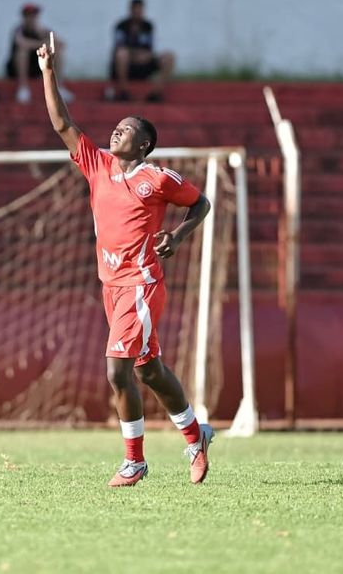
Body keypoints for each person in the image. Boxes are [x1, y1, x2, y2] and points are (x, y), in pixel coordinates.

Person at [39, 32, 213, 487]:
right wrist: (48, 72)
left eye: (128, 129)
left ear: (143, 146)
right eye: (116, 125)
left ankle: (134, 460)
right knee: (149, 370)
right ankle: (195, 436)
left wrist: (178, 234)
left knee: (117, 369)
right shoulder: (97, 165)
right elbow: (62, 124)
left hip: (140, 282)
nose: (117, 130)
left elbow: (202, 204)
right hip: (110, 285)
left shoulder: (157, 178)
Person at [107, 0, 175, 102]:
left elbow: (149, 49)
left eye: (140, 9)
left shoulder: (148, 26)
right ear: (130, 10)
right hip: (126, 66)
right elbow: (118, 48)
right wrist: (135, 54)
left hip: (143, 64)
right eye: (136, 9)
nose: (138, 12)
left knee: (169, 57)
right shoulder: (121, 26)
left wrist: (145, 56)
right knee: (122, 55)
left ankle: (156, 94)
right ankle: (124, 93)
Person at [5, 3, 73, 104]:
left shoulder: (43, 30)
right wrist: (42, 43)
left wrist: (46, 37)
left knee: (57, 52)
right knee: (22, 53)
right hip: (16, 69)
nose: (31, 18)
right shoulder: (18, 30)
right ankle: (23, 88)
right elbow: (23, 43)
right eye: (28, 15)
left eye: (33, 15)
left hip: (37, 68)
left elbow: (61, 44)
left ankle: (59, 87)